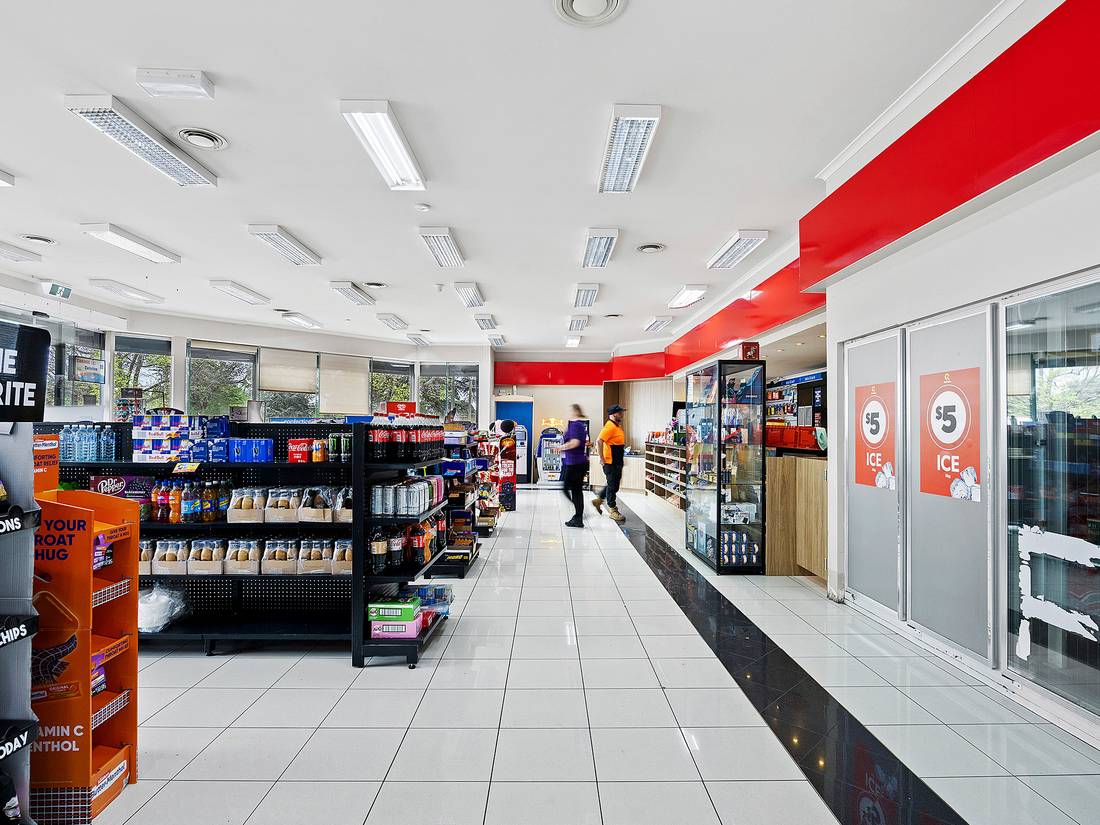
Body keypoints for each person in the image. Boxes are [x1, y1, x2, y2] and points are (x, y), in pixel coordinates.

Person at [593, 404, 626, 522]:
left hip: (617, 461)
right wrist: (601, 458)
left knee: (613, 485)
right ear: (613, 414)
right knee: (612, 485)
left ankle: (598, 500)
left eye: (622, 412)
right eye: (619, 413)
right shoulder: (610, 426)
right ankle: (613, 510)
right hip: (610, 462)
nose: (622, 414)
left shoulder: (617, 426)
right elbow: (599, 441)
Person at [559, 404, 589, 528]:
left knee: (569, 489)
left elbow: (575, 443)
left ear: (575, 411)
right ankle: (578, 515)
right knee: (574, 490)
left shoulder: (576, 425)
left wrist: (561, 447)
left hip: (576, 463)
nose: (569, 412)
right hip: (575, 462)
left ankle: (579, 515)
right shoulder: (576, 425)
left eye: (570, 410)